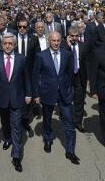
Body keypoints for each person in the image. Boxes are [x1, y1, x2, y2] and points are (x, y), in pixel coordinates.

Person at [33, 32, 79, 164]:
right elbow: (35, 77)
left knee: (70, 123)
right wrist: (36, 94)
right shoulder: (41, 56)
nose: (56, 43)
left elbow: (70, 74)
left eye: (58, 40)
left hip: (64, 93)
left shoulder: (67, 54)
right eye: (53, 40)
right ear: (49, 41)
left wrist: (70, 90)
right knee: (47, 119)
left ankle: (70, 150)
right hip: (47, 93)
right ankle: (47, 139)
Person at [0, 32, 31, 172]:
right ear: (1, 45)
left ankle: (16, 156)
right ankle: (7, 138)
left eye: (10, 43)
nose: (7, 46)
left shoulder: (22, 59)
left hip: (17, 98)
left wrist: (29, 94)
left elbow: (27, 78)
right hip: (1, 99)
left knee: (16, 126)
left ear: (15, 45)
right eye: (5, 43)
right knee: (5, 122)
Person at [62, 26, 90, 132]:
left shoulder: (84, 46)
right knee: (67, 100)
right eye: (72, 36)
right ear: (68, 36)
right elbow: (63, 60)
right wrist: (68, 47)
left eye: (76, 36)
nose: (74, 38)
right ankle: (67, 120)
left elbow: (87, 62)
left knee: (79, 100)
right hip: (67, 77)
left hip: (79, 75)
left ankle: (78, 122)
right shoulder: (63, 46)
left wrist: (88, 78)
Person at [15, 18, 40, 132]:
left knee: (28, 96)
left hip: (29, 73)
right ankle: (16, 119)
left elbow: (37, 57)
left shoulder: (33, 38)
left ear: (28, 27)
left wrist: (37, 72)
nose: (22, 29)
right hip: (15, 73)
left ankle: (25, 119)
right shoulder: (12, 38)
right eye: (20, 26)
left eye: (24, 27)